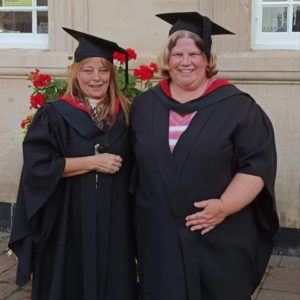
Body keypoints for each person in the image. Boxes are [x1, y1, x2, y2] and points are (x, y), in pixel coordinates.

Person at [130, 12, 279, 300]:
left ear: (207, 59)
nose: (185, 61)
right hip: (158, 236)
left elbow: (257, 165)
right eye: (178, 53)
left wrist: (223, 206)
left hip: (218, 234)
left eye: (194, 53)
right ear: (168, 58)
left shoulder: (238, 107)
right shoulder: (145, 106)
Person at [9, 27, 138, 300]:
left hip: (116, 222)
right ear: (75, 73)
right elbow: (38, 167)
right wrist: (93, 162)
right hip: (68, 221)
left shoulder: (127, 114)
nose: (96, 78)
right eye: (88, 70)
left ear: (112, 75)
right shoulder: (54, 115)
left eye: (103, 70)